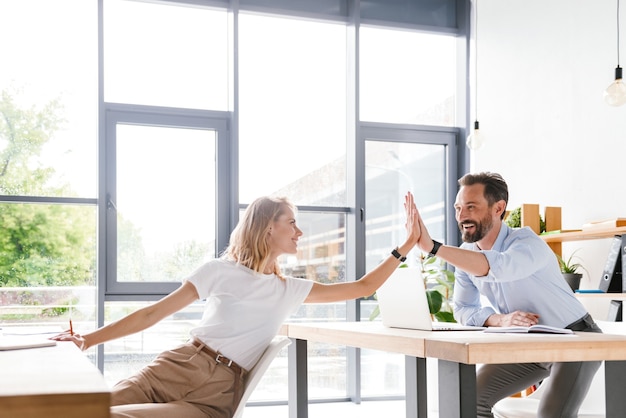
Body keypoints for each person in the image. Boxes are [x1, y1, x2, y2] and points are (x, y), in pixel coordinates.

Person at [52, 192, 419, 418]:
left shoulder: (289, 288)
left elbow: (363, 287)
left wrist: (405, 246)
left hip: (217, 394)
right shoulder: (219, 271)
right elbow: (153, 313)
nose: (299, 232)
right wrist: (87, 340)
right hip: (179, 366)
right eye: (292, 222)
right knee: (80, 411)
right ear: (267, 227)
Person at [412, 171, 601, 418]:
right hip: (532, 340)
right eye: (458, 207)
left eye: (471, 206)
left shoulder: (526, 242)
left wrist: (433, 248)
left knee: (552, 415)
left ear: (498, 208)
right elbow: (462, 309)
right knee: (468, 400)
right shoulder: (465, 254)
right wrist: (499, 319)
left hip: (576, 337)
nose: (461, 216)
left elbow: (500, 267)